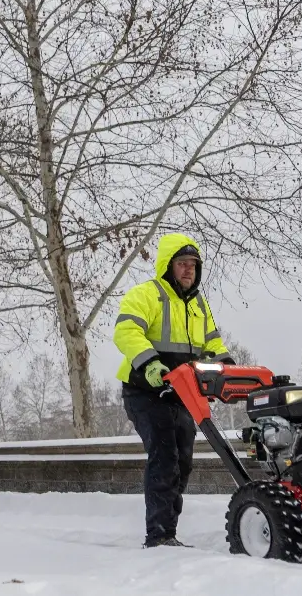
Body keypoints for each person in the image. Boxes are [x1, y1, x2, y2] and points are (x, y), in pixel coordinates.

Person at [114, 233, 233, 548]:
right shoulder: (146, 295)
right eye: (182, 263)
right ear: (168, 266)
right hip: (144, 391)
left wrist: (227, 367)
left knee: (183, 459)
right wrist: (150, 364)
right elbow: (126, 331)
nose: (188, 270)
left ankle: (168, 530)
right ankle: (159, 535)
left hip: (182, 393)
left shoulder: (197, 305)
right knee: (165, 454)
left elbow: (212, 343)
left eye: (193, 265)